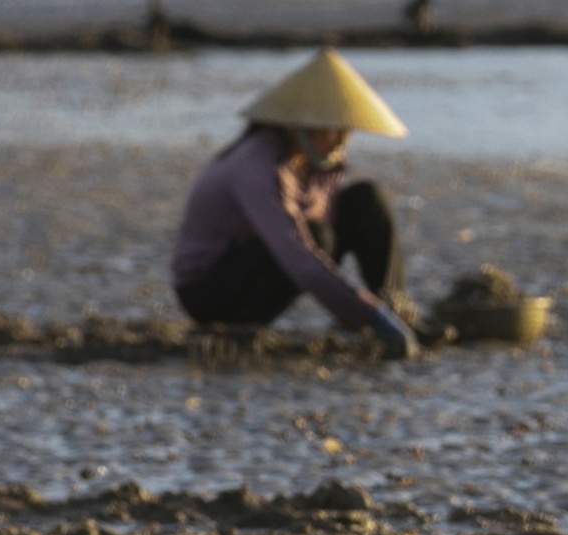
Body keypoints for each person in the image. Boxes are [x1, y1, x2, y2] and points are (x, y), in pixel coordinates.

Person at [170, 48, 430, 359]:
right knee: (317, 235)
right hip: (211, 289)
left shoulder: (319, 162)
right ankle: (377, 321)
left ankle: (397, 310)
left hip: (273, 259)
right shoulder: (255, 166)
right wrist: (368, 314)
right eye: (332, 129)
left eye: (346, 130)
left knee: (365, 200)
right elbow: (298, 253)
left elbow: (329, 223)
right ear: (300, 125)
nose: (341, 140)